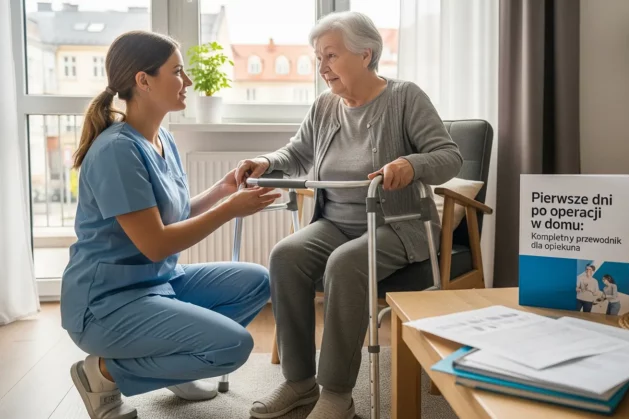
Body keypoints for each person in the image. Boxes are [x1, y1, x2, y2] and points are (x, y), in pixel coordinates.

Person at [236, 11, 463, 419]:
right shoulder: (325, 106)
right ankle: (299, 381)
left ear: (365, 54)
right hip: (334, 223)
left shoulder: (405, 97)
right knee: (284, 256)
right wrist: (264, 161)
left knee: (345, 264)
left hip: (396, 225)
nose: (322, 67)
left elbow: (449, 157)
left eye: (330, 56)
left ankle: (338, 393)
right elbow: (297, 152)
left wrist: (410, 165)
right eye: (318, 58)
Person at [61, 30, 281, 419]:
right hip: (105, 305)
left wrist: (221, 190)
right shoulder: (116, 151)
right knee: (234, 348)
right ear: (143, 81)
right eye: (178, 71)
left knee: (257, 281)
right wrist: (230, 208)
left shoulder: (161, 137)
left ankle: (174, 360)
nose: (189, 82)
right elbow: (157, 244)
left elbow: (172, 216)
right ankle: (103, 373)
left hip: (157, 284)